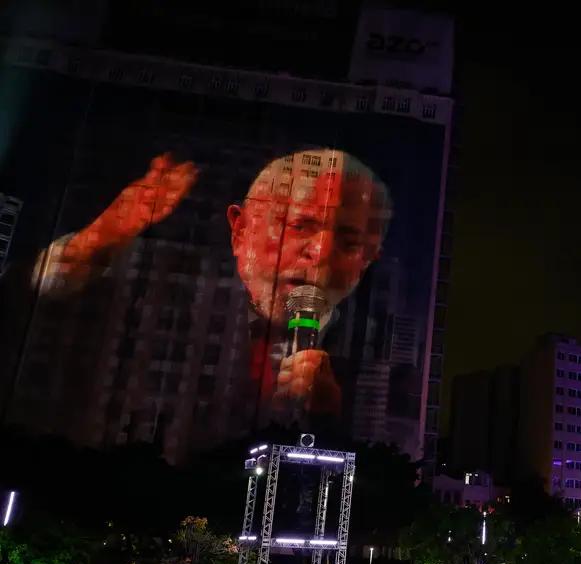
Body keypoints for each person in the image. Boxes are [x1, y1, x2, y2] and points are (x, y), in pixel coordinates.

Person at [24, 148, 392, 424]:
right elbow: (39, 288)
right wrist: (101, 236)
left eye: (349, 242)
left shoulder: (372, 353)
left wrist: (326, 415)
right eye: (300, 226)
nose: (321, 253)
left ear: (369, 259)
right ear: (240, 228)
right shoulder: (165, 284)